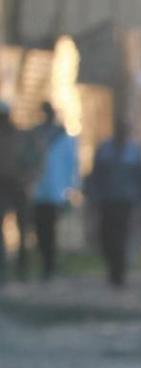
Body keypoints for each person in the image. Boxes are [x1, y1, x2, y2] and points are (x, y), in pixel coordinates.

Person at [84, 118, 141, 288]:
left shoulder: (134, 152)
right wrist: (93, 198)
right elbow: (95, 175)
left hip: (126, 202)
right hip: (107, 201)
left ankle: (119, 272)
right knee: (107, 236)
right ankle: (112, 266)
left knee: (122, 236)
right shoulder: (104, 150)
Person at [28, 105, 77, 281]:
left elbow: (71, 165)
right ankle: (45, 264)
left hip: (56, 192)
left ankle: (50, 265)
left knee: (51, 230)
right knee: (40, 230)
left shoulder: (63, 137)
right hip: (38, 192)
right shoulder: (35, 136)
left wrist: (70, 189)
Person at [0, 105, 26, 284]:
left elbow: (34, 159)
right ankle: (3, 267)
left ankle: (22, 267)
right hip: (2, 185)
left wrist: (28, 179)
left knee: (23, 227)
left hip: (18, 185)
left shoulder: (20, 137)